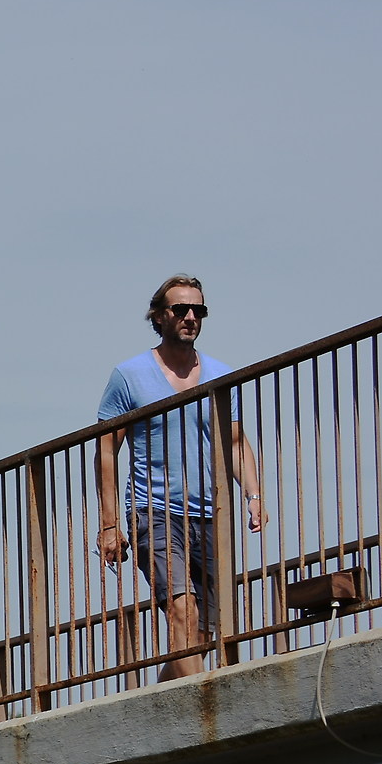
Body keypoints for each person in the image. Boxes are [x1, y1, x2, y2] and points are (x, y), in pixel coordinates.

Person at [96, 275, 267, 680]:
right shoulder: (129, 375)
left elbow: (234, 441)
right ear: (159, 316)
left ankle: (157, 704)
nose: (191, 317)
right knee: (181, 610)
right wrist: (109, 524)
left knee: (201, 633)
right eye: (181, 309)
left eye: (198, 310)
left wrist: (254, 495)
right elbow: (106, 451)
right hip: (153, 511)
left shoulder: (220, 374)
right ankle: (205, 706)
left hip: (209, 514)